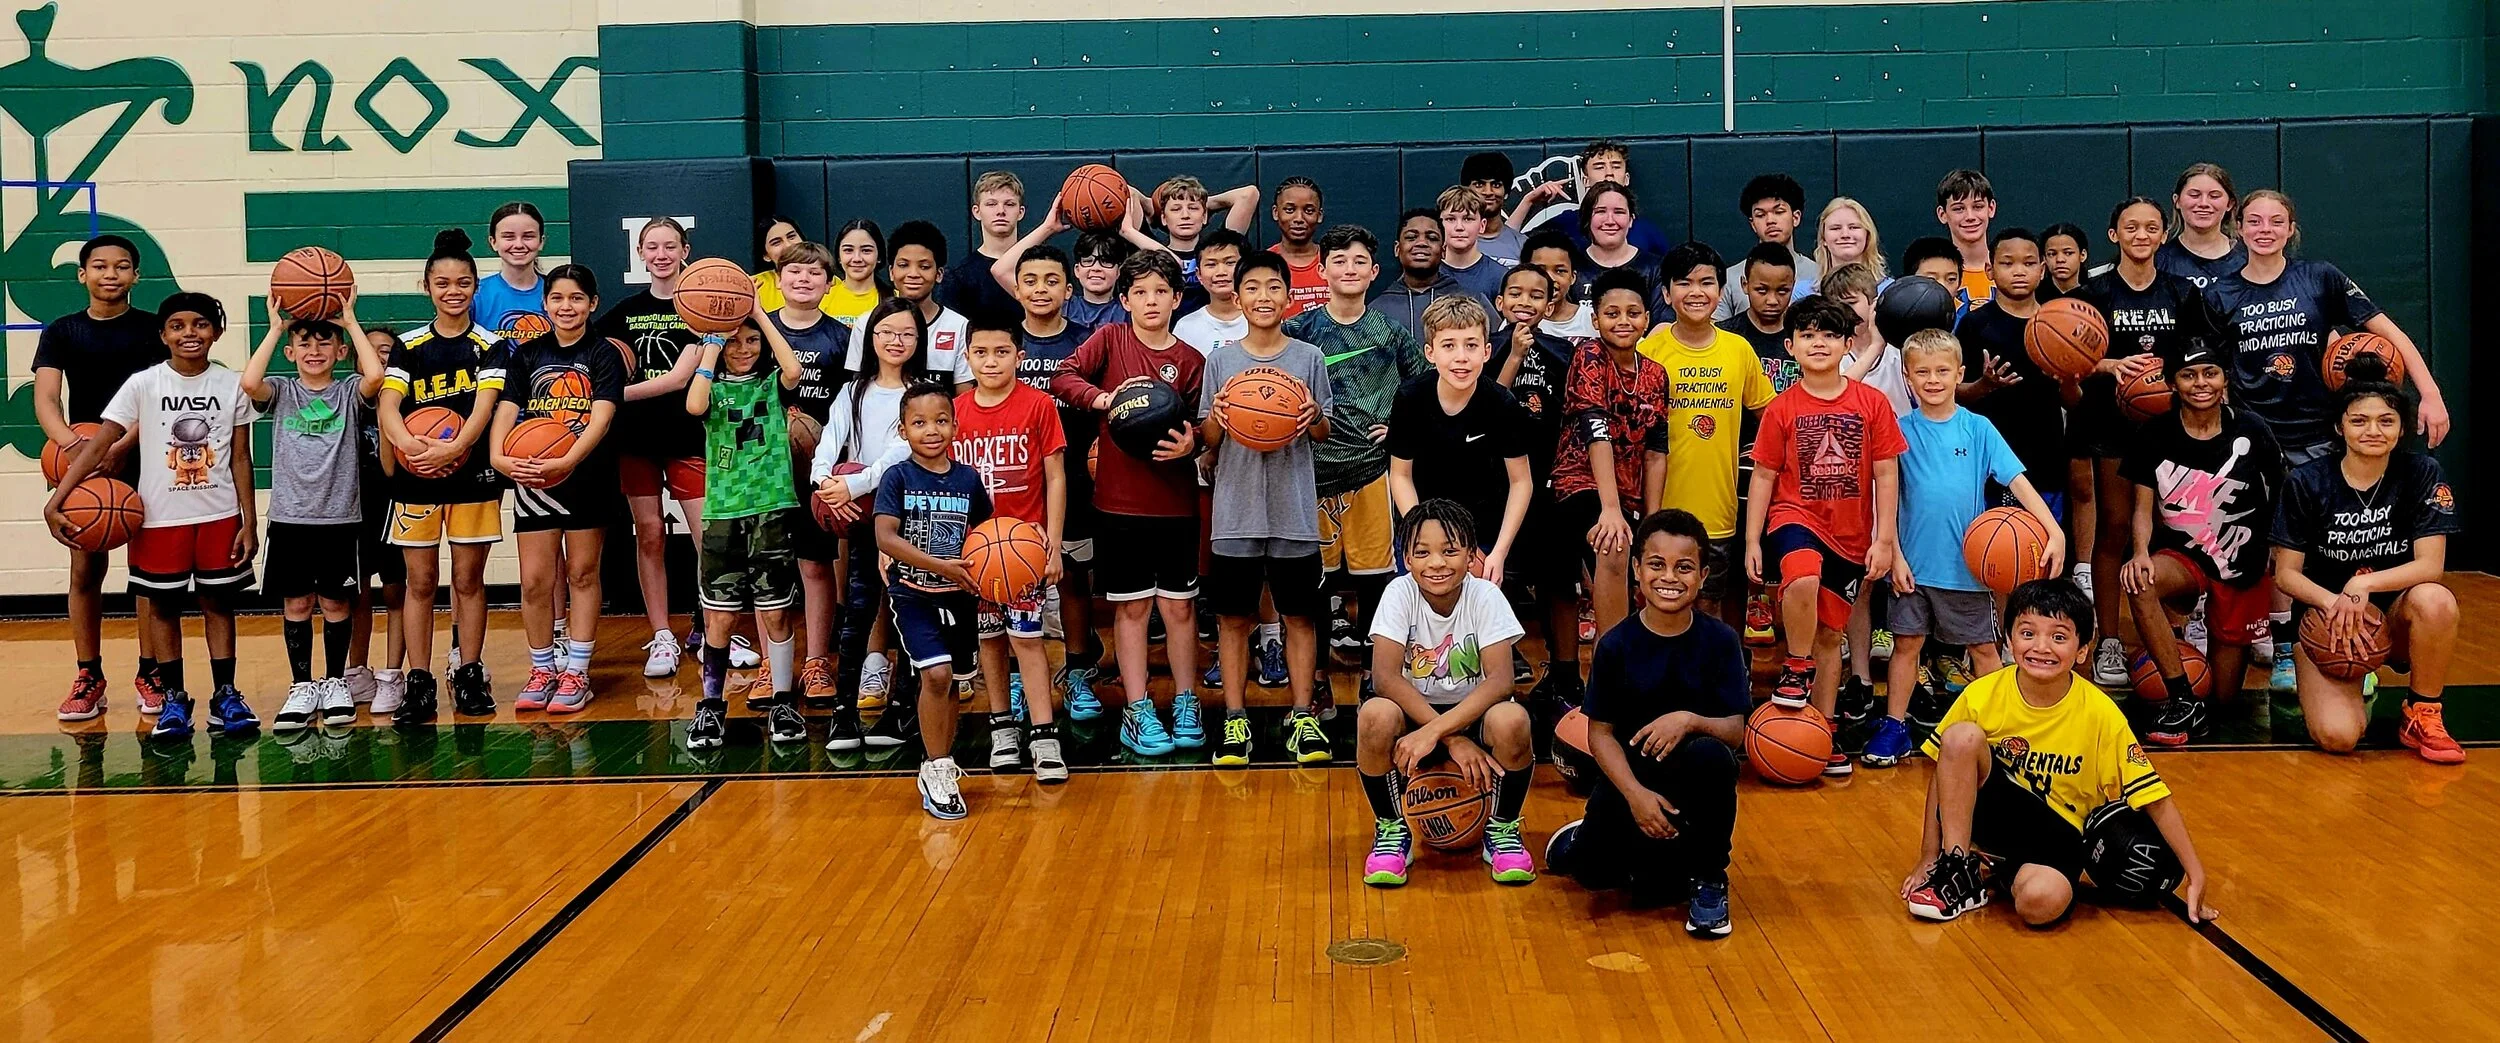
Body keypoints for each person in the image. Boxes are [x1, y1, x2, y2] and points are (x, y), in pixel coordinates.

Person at [2204, 189, 2451, 697]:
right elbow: (2213, 373)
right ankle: (2285, 646)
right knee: (2273, 553)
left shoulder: (2320, 278)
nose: (2265, 229)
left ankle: (2348, 640)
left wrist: (2429, 393)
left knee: (2321, 551)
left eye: (2276, 221)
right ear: (2238, 228)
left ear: (2291, 228)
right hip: (2257, 436)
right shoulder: (2220, 294)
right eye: (2254, 221)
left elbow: (2391, 333)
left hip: (2322, 432)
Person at [1902, 581, 2217, 927]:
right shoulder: (1982, 694)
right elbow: (1943, 777)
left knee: (2040, 904)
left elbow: (2154, 797)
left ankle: (1997, 870)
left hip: (2062, 835)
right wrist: (1928, 857)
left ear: (2082, 649)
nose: (2041, 647)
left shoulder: (2101, 713)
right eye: (2027, 633)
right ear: (2008, 639)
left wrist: (2195, 872)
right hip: (1996, 812)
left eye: (2058, 636)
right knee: (1960, 738)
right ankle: (1958, 867)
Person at [44, 293, 260, 739]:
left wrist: (249, 519)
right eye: (177, 326)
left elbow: (242, 458)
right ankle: (174, 699)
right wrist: (58, 498)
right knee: (162, 607)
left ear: (216, 332)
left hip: (218, 515)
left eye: (200, 324)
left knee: (218, 605)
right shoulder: (143, 385)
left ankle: (226, 695)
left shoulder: (232, 385)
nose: (189, 334)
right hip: (160, 517)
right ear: (162, 335)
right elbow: (100, 444)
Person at [1544, 509, 1748, 938]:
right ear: (1637, 569)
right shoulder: (1617, 645)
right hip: (1629, 785)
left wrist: (1690, 721)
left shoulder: (1722, 642)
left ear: (1703, 574)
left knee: (1713, 756)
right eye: (1656, 564)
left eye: (1684, 567)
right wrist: (1636, 796)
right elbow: (1598, 733)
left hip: (1691, 790)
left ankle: (1710, 878)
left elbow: (1735, 730)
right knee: (1597, 879)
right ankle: (1584, 840)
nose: (1669, 577)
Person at [1866, 331, 2064, 768]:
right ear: (1908, 377)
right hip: (1913, 568)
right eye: (1922, 372)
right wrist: (1894, 555)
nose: (1933, 380)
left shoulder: (1978, 428)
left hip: (1968, 570)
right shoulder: (1898, 432)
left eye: (1942, 371)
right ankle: (1895, 726)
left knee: (1982, 650)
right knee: (1906, 644)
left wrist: (2054, 531)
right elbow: (1886, 501)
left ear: (1960, 373)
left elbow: (2018, 482)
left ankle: (1999, 730)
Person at [1051, 251, 1207, 755]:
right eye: (1139, 292)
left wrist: (1195, 443)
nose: (1150, 300)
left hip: (1177, 502)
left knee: (1181, 611)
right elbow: (1064, 376)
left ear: (1177, 299)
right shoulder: (1111, 340)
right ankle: (1138, 709)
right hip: (1118, 504)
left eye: (1161, 291)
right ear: (1124, 300)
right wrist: (1104, 400)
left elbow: (1207, 426)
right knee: (1132, 608)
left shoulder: (1190, 361)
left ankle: (1186, 699)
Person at [1744, 295, 1904, 776]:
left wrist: (1885, 539)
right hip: (1794, 519)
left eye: (1830, 335)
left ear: (1848, 344)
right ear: (1790, 346)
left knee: (1832, 637)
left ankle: (1823, 730)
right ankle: (1795, 663)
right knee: (1803, 577)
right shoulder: (1781, 409)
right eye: (1808, 335)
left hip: (1853, 536)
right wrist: (1753, 539)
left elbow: (1887, 475)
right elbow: (1764, 477)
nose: (1819, 343)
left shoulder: (1871, 404)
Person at [2272, 365, 2462, 764]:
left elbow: (2431, 565)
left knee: (2436, 600)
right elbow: (2285, 574)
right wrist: (2334, 602)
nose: (2373, 430)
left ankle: (2422, 712)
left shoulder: (2422, 473)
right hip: (2327, 623)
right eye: (2359, 420)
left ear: (2401, 428)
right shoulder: (2306, 481)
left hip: (2394, 614)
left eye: (2386, 421)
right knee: (2339, 737)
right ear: (2340, 428)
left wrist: (2362, 587)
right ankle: (2354, 675)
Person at [2071, 198, 2214, 684]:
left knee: (2179, 529)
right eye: (2130, 226)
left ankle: (2183, 624)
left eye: (2151, 227)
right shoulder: (2093, 293)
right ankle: (2109, 639)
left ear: (2161, 235)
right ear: (2114, 235)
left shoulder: (2181, 292)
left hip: (2172, 428)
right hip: (2110, 425)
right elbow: (2069, 360)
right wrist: (2111, 366)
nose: (2141, 234)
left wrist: (2169, 379)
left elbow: (2200, 359)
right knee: (2114, 528)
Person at [1286, 225, 1430, 704]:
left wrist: (1401, 430)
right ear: (1322, 269)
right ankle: (1320, 679)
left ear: (1373, 271)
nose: (1348, 269)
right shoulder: (1300, 330)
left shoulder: (1389, 332)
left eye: (1358, 261)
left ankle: (1376, 675)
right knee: (1317, 585)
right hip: (1312, 473)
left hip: (1371, 471)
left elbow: (1424, 387)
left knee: (1374, 583)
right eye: (1338, 261)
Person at [1200, 250, 1334, 765]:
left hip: (1293, 511)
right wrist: (1220, 415)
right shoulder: (1221, 361)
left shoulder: (1308, 358)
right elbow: (1209, 437)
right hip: (1234, 510)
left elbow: (1322, 431)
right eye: (1251, 288)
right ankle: (1235, 719)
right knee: (1234, 620)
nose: (1263, 297)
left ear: (1289, 296)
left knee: (1299, 615)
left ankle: (1302, 715)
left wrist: (1311, 415)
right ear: (1237, 298)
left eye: (1273, 287)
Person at [1357, 501, 1535, 888]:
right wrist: (1448, 737)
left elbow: (1501, 681)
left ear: (1472, 555)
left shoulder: (1485, 596)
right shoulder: (1398, 593)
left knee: (1513, 719)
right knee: (1374, 715)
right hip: (1417, 717)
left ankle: (1502, 828)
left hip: (1473, 715)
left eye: (1450, 551)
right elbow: (1385, 678)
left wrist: (1446, 732)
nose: (1436, 563)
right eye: (1422, 552)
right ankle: (1391, 829)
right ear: (1405, 557)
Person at [2117, 345, 2280, 748]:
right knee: (2142, 581)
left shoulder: (2252, 429)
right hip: (2183, 557)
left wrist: (2279, 549)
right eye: (2189, 375)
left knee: (2223, 701)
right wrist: (2139, 553)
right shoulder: (2154, 433)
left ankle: (2200, 683)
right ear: (2173, 383)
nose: (2200, 384)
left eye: (2210, 373)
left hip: (2241, 564)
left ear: (2225, 379)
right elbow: (2142, 505)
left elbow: (2280, 495)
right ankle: (2181, 698)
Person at [380, 229, 509, 720]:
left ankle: (470, 673)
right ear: (427, 287)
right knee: (420, 581)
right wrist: (410, 444)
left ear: (476, 287)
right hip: (417, 477)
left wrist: (457, 445)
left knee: (469, 579)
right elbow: (389, 406)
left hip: (471, 474)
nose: (452, 291)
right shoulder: (409, 346)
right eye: (442, 283)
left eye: (462, 283)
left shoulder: (491, 346)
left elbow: (485, 407)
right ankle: (419, 682)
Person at [38, 235, 166, 721]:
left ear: (136, 276)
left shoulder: (154, 329)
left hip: (145, 454)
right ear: (82, 275)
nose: (110, 274)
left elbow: (157, 394)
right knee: (85, 571)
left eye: (121, 267)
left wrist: (119, 446)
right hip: (85, 461)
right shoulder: (63, 331)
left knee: (150, 575)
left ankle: (150, 671)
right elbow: (47, 398)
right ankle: (88, 674)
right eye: (99, 266)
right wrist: (76, 448)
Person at [241, 301, 383, 732]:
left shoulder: (347, 392)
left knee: (337, 602)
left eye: (325, 342)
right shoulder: (283, 391)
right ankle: (302, 686)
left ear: (341, 353)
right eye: (303, 343)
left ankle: (336, 682)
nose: (314, 350)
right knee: (297, 602)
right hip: (290, 519)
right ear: (290, 353)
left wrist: (351, 321)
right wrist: (275, 328)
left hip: (340, 518)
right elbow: (249, 382)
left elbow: (376, 375)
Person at [492, 262, 626, 714]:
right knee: (534, 580)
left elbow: (603, 415)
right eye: (557, 298)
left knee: (582, 573)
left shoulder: (604, 354)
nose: (566, 306)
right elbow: (507, 411)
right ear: (545, 303)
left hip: (586, 475)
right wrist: (498, 457)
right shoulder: (525, 355)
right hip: (534, 479)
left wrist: (568, 460)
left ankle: (578, 672)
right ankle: (543, 666)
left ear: (592, 304)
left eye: (576, 298)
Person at [595, 217, 725, 679]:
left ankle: (714, 628)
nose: (662, 253)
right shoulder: (620, 314)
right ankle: (662, 635)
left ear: (685, 249)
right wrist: (612, 394)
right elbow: (602, 372)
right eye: (652, 246)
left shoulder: (705, 310)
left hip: (688, 435)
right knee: (648, 534)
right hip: (636, 439)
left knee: (706, 538)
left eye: (670, 245)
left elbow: (688, 379)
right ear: (642, 254)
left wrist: (617, 395)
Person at [814, 298, 940, 748]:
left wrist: (856, 486)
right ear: (871, 337)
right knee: (859, 610)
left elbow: (898, 455)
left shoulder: (924, 394)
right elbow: (831, 440)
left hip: (912, 515)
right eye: (887, 331)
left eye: (907, 333)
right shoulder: (854, 391)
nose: (896, 340)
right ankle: (843, 713)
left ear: (918, 340)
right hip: (864, 517)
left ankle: (901, 709)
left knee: (909, 609)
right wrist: (824, 483)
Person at [681, 313, 807, 748]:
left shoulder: (772, 382)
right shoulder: (711, 387)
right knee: (719, 616)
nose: (743, 349)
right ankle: (712, 707)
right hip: (723, 513)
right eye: (735, 343)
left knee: (775, 612)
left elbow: (793, 370)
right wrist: (713, 339)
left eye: (751, 341)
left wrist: (757, 315)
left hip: (771, 509)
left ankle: (783, 701)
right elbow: (693, 406)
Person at [953, 318, 1071, 781]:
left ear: (1018, 357)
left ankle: (1044, 735)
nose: (991, 361)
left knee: (1028, 639)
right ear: (968, 359)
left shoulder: (1038, 405)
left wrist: (1054, 544)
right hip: (975, 551)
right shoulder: (957, 411)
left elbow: (1056, 476)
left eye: (1001, 352)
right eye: (981, 353)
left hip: (1024, 547)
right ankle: (1002, 727)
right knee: (989, 640)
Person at [1637, 242, 1772, 628]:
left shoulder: (1738, 350)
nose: (1696, 292)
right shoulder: (1651, 351)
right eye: (1684, 283)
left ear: (1720, 291)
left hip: (1720, 511)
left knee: (1710, 609)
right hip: (1661, 509)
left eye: (1706, 283)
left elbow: (1771, 413)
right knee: (1659, 607)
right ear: (1666, 293)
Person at [874, 383, 992, 819]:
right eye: (919, 422)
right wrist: (940, 565)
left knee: (957, 681)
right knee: (937, 675)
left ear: (956, 426)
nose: (931, 430)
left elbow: (986, 539)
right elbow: (885, 536)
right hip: (913, 594)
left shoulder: (968, 480)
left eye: (941, 420)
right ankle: (937, 766)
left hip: (960, 598)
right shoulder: (898, 477)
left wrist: (997, 573)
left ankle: (942, 756)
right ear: (903, 430)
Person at [999, 243, 1107, 716]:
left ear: (1069, 289)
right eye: (1030, 281)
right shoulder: (1002, 344)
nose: (1040, 289)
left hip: (1076, 479)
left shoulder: (1088, 340)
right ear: (1016, 288)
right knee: (1015, 578)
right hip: (1017, 480)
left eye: (1050, 281)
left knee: (1074, 577)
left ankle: (1080, 667)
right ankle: (1024, 675)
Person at [1553, 269, 1671, 643]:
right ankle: (1614, 661)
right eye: (1612, 313)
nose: (1623, 321)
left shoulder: (1655, 373)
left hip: (1628, 491)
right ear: (1595, 319)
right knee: (1613, 544)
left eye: (1633, 313)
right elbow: (1595, 432)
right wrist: (1609, 508)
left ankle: (1643, 651)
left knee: (1649, 553)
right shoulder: (1590, 355)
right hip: (1580, 483)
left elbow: (1656, 449)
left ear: (1647, 319)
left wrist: (1651, 519)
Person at [1490, 265, 1584, 703]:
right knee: (1497, 576)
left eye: (1535, 296)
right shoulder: (1485, 346)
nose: (1525, 302)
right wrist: (1511, 354)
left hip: (1550, 483)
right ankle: (1498, 667)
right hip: (1498, 483)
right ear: (1500, 302)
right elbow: (1490, 404)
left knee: (1559, 582)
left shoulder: (1563, 351)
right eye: (1516, 293)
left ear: (1550, 306)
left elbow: (1575, 412)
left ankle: (1565, 672)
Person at [1387, 295, 1529, 583]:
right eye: (1449, 345)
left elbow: (1521, 482)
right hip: (1419, 532)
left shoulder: (1501, 403)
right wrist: (1421, 533)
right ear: (1430, 352)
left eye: (1471, 345)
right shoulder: (1410, 397)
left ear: (1487, 351)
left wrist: (1499, 553)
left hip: (1482, 536)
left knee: (1475, 621)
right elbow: (1400, 475)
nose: (1461, 357)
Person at [767, 242, 854, 702]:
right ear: (777, 280)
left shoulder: (841, 338)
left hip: (817, 467)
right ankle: (771, 663)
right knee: (769, 570)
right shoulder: (757, 332)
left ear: (829, 283)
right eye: (794, 271)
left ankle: (818, 661)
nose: (803, 279)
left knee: (816, 566)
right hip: (762, 469)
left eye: (814, 273)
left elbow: (849, 409)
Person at [1955, 229, 2072, 527]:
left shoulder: (2058, 322)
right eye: (2007, 263)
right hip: (1989, 461)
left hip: (2045, 457)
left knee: (2042, 547)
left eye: (2029, 263)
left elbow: (2073, 401)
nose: (2019, 271)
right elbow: (1956, 394)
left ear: (2042, 270)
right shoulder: (1974, 325)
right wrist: (1985, 385)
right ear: (1990, 270)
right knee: (1994, 548)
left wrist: (2068, 380)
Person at [348, 326, 412, 717]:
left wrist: (390, 407)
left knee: (396, 592)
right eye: (369, 351)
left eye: (386, 350)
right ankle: (356, 672)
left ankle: (393, 674)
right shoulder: (344, 400)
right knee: (356, 593)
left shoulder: (405, 398)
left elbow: (390, 467)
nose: (378, 356)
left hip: (395, 502)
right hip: (351, 508)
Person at [1510, 140, 1671, 254]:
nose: (1609, 173)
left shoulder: (1647, 231)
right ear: (1585, 180)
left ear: (1626, 178)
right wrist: (1528, 200)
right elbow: (1509, 244)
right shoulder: (1566, 222)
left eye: (1616, 166)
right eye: (1599, 167)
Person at [864, 220, 972, 382]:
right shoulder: (867, 322)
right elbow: (858, 386)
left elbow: (962, 397)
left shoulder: (959, 326)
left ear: (939, 274)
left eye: (924, 266)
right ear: (891, 272)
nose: (913, 274)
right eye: (903, 265)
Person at [1124, 175, 1259, 295]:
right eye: (1176, 209)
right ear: (1164, 218)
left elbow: (1249, 194)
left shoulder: (1218, 248)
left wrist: (1204, 202)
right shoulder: (1148, 248)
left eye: (1193, 208)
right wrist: (1151, 209)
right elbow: (1128, 192)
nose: (1185, 216)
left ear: (1204, 215)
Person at [1713, 174, 1820, 319]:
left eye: (1779, 212)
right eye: (1760, 215)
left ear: (1796, 217)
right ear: (1752, 224)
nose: (1770, 220)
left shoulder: (1819, 274)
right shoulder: (1730, 279)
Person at [1375, 209, 1479, 340]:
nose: (1422, 243)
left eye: (1432, 238)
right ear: (1397, 249)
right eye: (1411, 237)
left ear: (1443, 251)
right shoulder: (1378, 310)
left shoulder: (1472, 301)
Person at [941, 171, 1026, 327]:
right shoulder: (959, 277)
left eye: (1009, 204)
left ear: (1020, 212)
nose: (1001, 211)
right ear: (976, 211)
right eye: (991, 204)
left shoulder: (1038, 267)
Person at [474, 201, 551, 344]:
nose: (519, 245)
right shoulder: (476, 294)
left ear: (541, 241)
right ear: (493, 242)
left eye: (528, 236)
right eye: (508, 237)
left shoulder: (558, 292)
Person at [2158, 162, 2245, 288]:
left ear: (2229, 204)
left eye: (2214, 196)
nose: (2203, 203)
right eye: (2194, 195)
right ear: (2177, 201)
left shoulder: (2247, 259)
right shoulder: (2159, 260)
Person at [1573, 183, 1661, 305]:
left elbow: (1663, 322)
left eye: (1619, 212)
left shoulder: (1654, 268)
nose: (1610, 221)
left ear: (1631, 220)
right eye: (1600, 212)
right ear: (1588, 219)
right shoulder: (1572, 266)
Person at [1172, 228, 1249, 354]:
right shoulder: (1185, 327)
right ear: (1198, 274)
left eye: (1230, 263)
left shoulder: (1265, 320)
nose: (1221, 273)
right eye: (1211, 265)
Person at [1716, 243, 1798, 361]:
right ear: (1745, 285)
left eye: (1782, 291)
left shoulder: (1805, 335)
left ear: (1793, 285)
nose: (1772, 301)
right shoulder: (1724, 336)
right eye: (1762, 290)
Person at [1268, 176, 1330, 318]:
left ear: (1319, 215)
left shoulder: (1336, 262)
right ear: (1276, 212)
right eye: (1289, 210)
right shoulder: (1262, 264)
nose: (1299, 218)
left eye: (1308, 211)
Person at [1934, 169, 1998, 306]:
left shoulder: (2007, 270)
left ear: (1991, 208)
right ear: (1942, 214)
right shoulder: (1934, 277)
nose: (1970, 217)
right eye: (1958, 209)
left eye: (1978, 206)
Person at [1437, 186, 1509, 301]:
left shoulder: (1500, 276)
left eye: (1468, 219)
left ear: (1482, 225)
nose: (1459, 227)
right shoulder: (1428, 274)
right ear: (1438, 225)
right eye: (1451, 219)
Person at [1525, 230, 1594, 344]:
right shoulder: (1518, 317)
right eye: (1540, 270)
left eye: (1560, 271)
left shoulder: (1592, 319)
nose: (1551, 279)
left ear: (1572, 277)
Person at [1064, 231, 1133, 329]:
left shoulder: (1128, 309)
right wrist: (1048, 229)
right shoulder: (1065, 306)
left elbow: (1162, 265)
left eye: (1105, 261)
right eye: (1088, 261)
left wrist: (1128, 232)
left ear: (1118, 271)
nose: (1096, 268)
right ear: (1077, 270)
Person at [826, 218, 886, 329]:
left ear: (879, 256)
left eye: (866, 250)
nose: (857, 258)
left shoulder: (896, 299)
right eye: (848, 250)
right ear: (839, 256)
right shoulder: (822, 296)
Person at [1812, 197, 1885, 282]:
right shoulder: (1803, 292)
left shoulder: (1889, 290)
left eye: (1854, 227)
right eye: (1835, 228)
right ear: (1823, 238)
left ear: (1868, 235)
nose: (1845, 235)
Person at [1901, 235, 1968, 321]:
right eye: (1931, 279)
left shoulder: (1967, 327)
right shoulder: (1889, 326)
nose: (1942, 286)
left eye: (1951, 279)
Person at [750, 214, 802, 313]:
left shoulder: (829, 281)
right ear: (766, 255)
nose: (788, 245)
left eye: (791, 237)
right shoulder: (754, 286)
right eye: (776, 242)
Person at [2040, 222, 2089, 296]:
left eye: (2068, 253)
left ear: (2082, 255)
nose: (2060, 259)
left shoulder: (2096, 297)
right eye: (2052, 254)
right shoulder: (2033, 298)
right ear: (2044, 259)